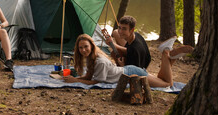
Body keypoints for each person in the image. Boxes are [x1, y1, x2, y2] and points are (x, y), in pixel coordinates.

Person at [63, 34, 193, 88]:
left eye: (86, 46)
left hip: (132, 73)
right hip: (129, 69)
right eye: (81, 48)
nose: (83, 50)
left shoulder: (100, 61)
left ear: (91, 46)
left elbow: (96, 81)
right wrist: (79, 78)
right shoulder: (91, 57)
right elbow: (89, 76)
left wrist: (76, 80)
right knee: (161, 78)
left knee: (168, 84)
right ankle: (173, 57)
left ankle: (165, 54)